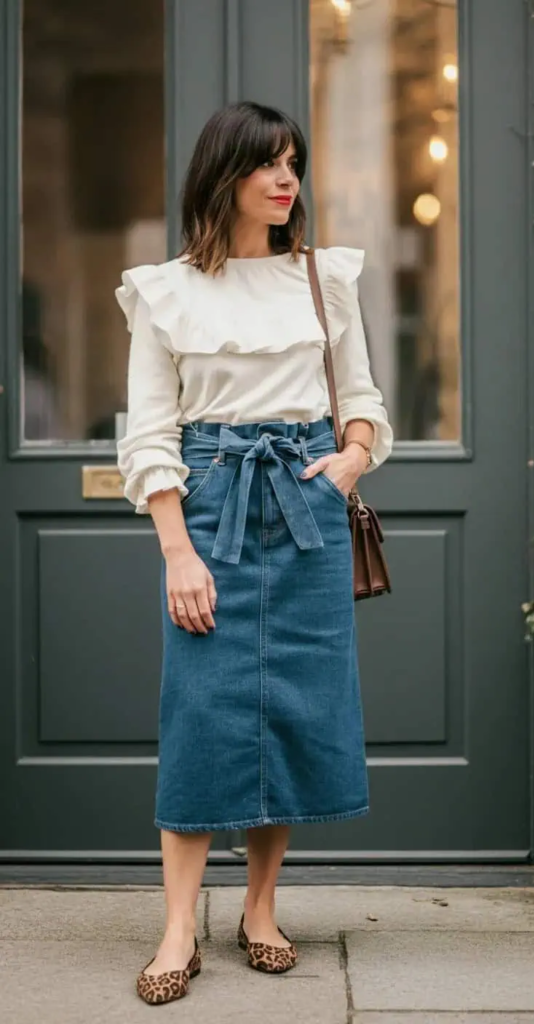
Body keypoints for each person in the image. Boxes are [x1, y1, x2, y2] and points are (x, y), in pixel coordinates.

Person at [115, 100, 393, 1006]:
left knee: (292, 712)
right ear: (222, 173)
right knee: (200, 715)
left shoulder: (323, 279)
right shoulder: (164, 291)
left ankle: (261, 911)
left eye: (293, 163)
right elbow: (149, 434)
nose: (285, 180)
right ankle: (177, 929)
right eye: (267, 163)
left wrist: (348, 462)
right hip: (210, 507)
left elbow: (362, 401)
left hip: (304, 505)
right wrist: (177, 553)